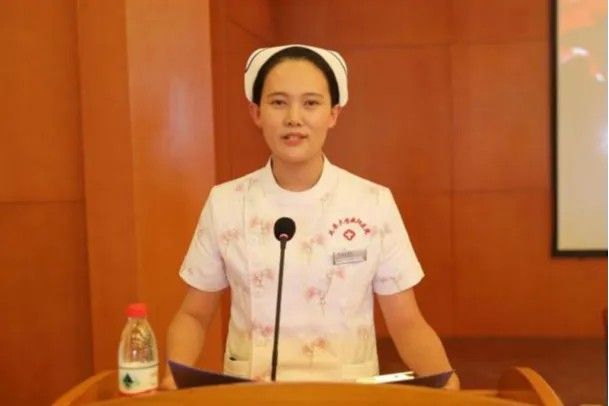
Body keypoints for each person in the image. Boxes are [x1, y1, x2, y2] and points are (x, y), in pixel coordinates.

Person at [161, 44, 459, 389]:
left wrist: (446, 380)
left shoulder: (372, 202)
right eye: (278, 102)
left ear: (333, 114)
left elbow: (406, 322)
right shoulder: (226, 202)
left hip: (347, 394)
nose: (294, 118)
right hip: (253, 394)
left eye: (311, 103)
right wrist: (173, 375)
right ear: (256, 113)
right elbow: (194, 314)